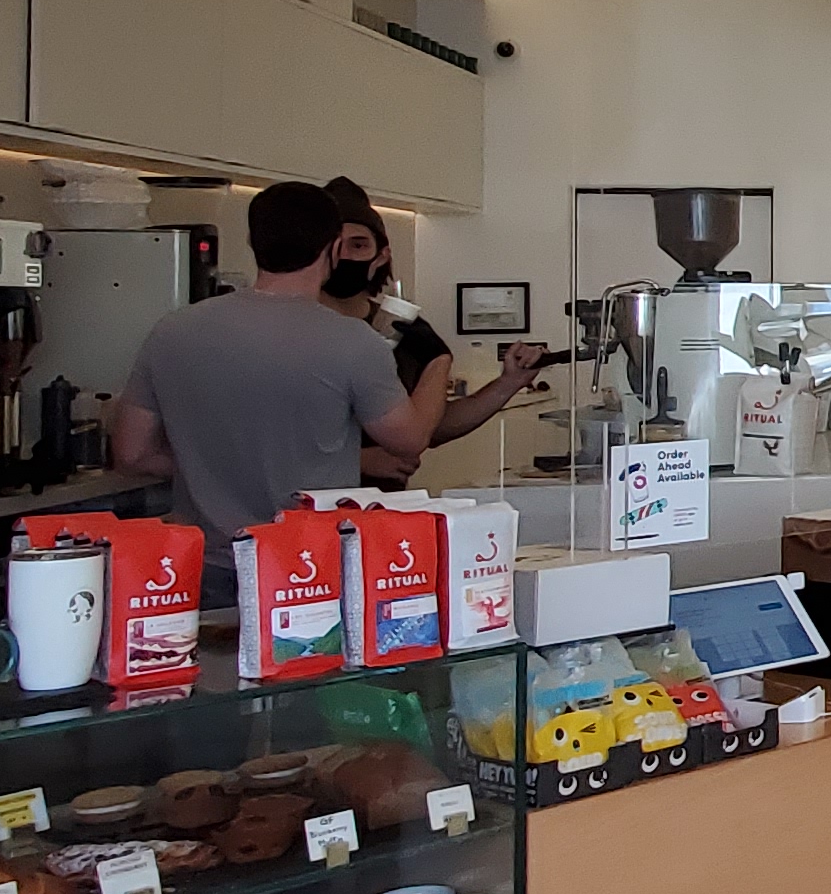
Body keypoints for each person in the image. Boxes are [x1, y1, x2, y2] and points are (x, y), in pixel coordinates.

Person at [110, 181, 436, 590]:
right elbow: (408, 440)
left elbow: (131, 454)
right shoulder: (353, 341)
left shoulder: (172, 331)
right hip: (309, 568)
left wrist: (211, 468)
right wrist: (436, 360)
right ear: (334, 246)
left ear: (253, 242)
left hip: (202, 566)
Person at [319, 177, 540, 486]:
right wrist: (360, 460)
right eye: (334, 245)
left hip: (384, 507)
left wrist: (508, 383)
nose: (345, 256)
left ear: (381, 255)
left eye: (358, 245)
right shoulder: (291, 330)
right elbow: (265, 437)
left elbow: (429, 426)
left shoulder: (405, 331)